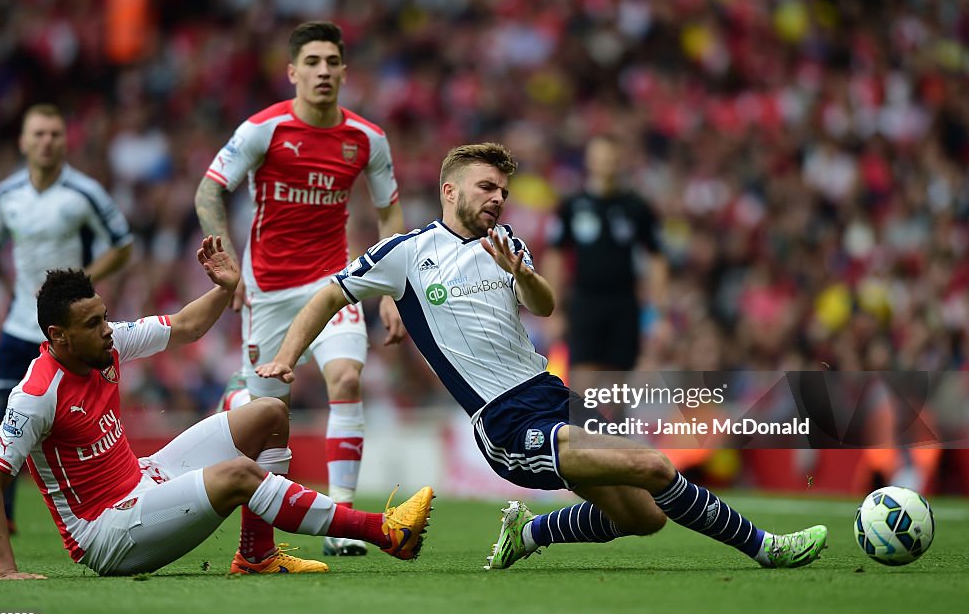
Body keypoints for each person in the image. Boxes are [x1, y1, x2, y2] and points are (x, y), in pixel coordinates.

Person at [256, 143, 828, 572]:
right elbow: (330, 292)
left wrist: (520, 273)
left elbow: (547, 305)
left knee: (644, 517)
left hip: (550, 393)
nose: (498, 199)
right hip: (506, 421)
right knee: (653, 466)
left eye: (503, 191)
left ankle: (530, 535)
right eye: (487, 188)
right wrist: (287, 357)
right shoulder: (407, 253)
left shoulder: (507, 244)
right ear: (451, 191)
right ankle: (765, 548)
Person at [0, 236, 433, 579]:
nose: (107, 329)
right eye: (93, 324)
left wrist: (224, 289)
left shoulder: (105, 344)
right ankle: (383, 531)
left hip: (144, 477)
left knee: (269, 412)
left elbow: (187, 326)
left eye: (103, 316)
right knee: (238, 474)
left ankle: (257, 556)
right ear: (58, 336)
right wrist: (7, 572)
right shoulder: (35, 395)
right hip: (107, 533)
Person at [194, 20, 406, 557]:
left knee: (345, 377)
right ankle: (237, 404)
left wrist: (390, 290)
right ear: (292, 72)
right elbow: (209, 189)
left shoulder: (366, 139)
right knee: (269, 414)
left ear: (343, 71)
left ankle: (341, 517)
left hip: (334, 283)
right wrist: (224, 255)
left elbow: (390, 214)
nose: (323, 72)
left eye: (332, 62)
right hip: (267, 289)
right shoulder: (262, 130)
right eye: (312, 62)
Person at [0, 103, 134, 540]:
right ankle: (3, 516)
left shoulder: (84, 193)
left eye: (55, 134)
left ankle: (98, 493)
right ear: (23, 141)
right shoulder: (7, 195)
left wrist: (80, 291)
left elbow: (123, 244)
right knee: (3, 414)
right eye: (38, 134)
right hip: (20, 322)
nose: (46, 141)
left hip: (67, 333)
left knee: (73, 409)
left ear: (65, 141)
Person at [544, 134, 668, 372]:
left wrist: (660, 314)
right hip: (584, 302)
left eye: (610, 159)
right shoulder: (571, 206)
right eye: (599, 158)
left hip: (624, 304)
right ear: (589, 161)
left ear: (619, 161)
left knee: (618, 383)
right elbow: (555, 255)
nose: (605, 164)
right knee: (584, 377)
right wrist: (553, 311)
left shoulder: (637, 207)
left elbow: (657, 257)